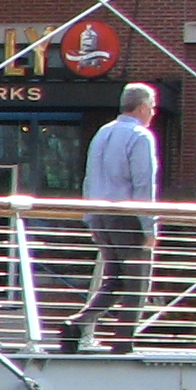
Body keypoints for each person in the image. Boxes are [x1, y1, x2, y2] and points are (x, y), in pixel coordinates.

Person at [60, 81, 161, 354]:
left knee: (115, 278)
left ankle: (78, 324)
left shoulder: (102, 133)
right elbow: (143, 185)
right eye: (152, 107)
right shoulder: (141, 136)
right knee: (137, 280)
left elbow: (90, 178)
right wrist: (150, 227)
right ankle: (123, 342)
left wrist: (90, 217)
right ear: (142, 107)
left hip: (100, 215)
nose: (153, 113)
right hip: (127, 218)